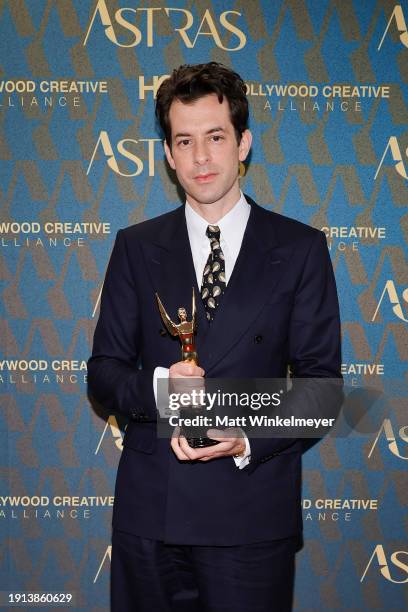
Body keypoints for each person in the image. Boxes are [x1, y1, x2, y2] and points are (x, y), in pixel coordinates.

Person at [87, 62, 342, 612]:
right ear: (169, 156)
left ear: (243, 143)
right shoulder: (136, 246)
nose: (201, 157)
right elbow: (103, 374)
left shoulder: (300, 249)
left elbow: (322, 388)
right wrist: (163, 392)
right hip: (152, 516)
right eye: (185, 141)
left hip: (251, 519)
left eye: (216, 137)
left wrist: (245, 434)